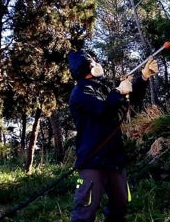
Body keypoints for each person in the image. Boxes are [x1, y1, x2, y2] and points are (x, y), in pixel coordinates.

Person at [67, 50, 158, 222]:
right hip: (93, 162)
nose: (96, 63)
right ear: (86, 68)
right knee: (86, 209)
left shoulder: (103, 88)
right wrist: (118, 92)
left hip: (114, 160)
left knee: (120, 204)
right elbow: (103, 109)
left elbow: (131, 100)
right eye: (92, 62)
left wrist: (144, 77)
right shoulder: (80, 93)